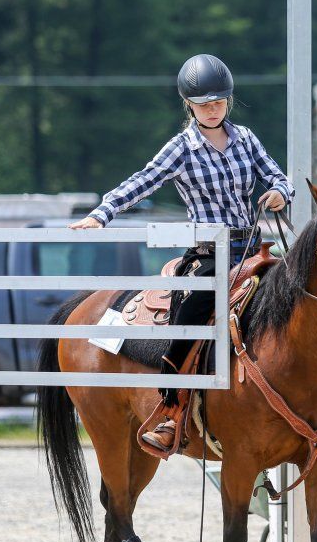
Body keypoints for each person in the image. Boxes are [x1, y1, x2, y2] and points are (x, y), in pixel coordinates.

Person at [70, 53, 295, 453]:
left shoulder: (246, 138)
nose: (212, 109)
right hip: (209, 251)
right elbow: (142, 181)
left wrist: (280, 191)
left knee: (300, 297)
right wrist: (101, 214)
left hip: (252, 245)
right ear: (188, 105)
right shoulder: (181, 149)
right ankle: (172, 409)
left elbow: (276, 174)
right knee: (191, 313)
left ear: (229, 100)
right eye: (204, 103)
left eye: (219, 101)